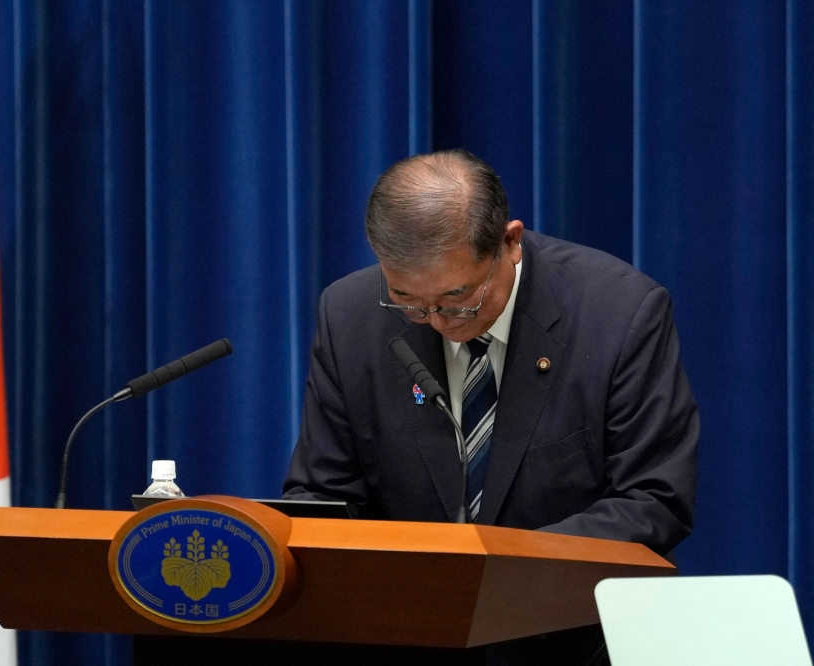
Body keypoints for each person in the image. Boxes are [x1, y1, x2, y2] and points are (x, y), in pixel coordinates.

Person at [282, 149, 699, 664]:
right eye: (408, 301)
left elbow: (654, 499)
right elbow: (324, 495)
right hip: (412, 637)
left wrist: (502, 573)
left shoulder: (619, 315)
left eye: (459, 298)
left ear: (510, 242)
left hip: (577, 638)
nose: (437, 321)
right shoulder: (350, 316)